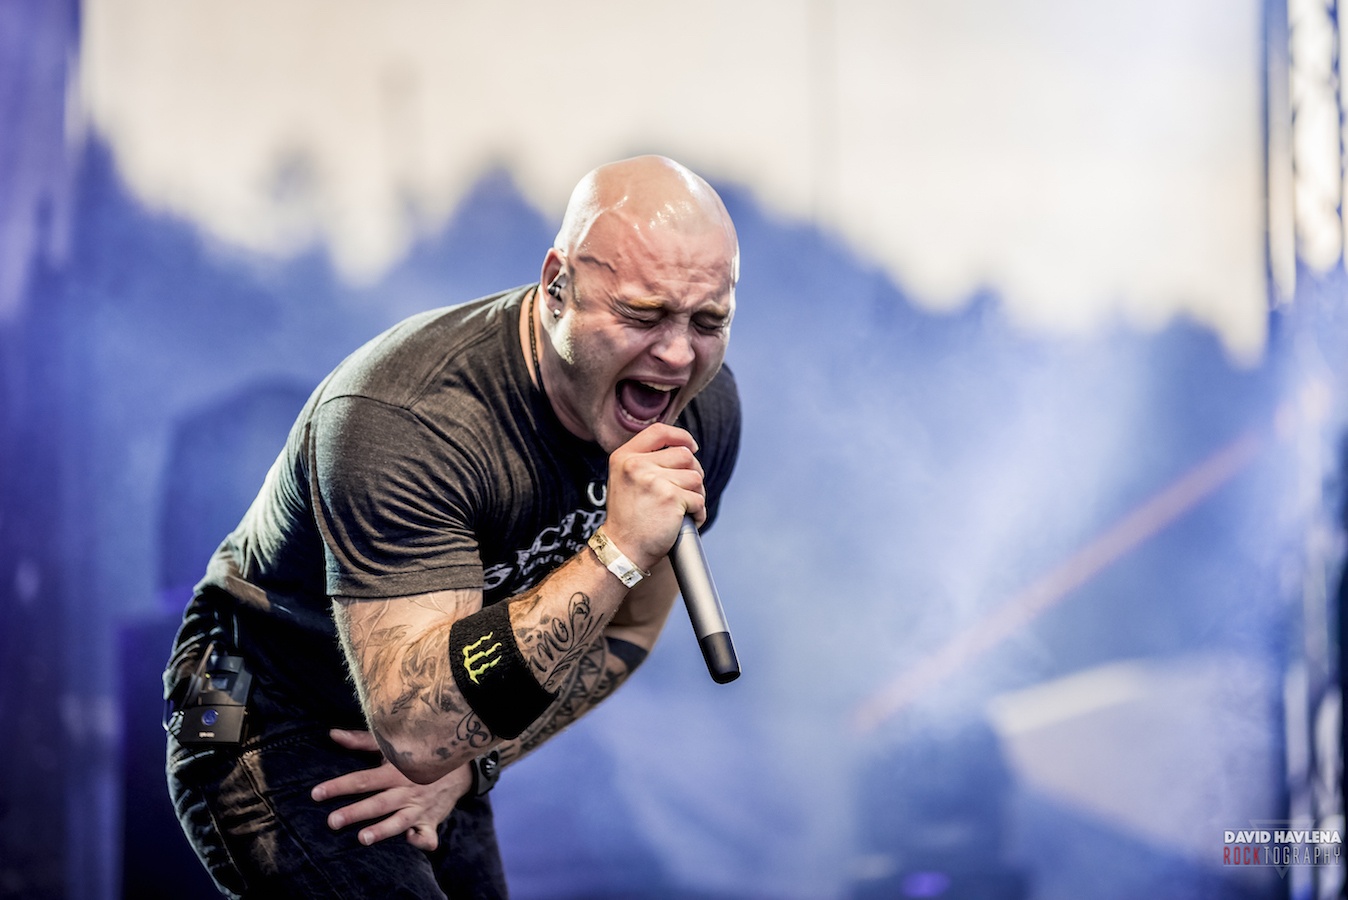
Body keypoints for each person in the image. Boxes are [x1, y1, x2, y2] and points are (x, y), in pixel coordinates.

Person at [163, 155, 742, 898]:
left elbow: (627, 627)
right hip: (254, 694)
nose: (677, 355)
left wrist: (474, 762)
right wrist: (616, 550)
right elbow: (417, 729)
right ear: (557, 287)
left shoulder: (700, 412)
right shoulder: (408, 418)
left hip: (443, 702)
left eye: (708, 322)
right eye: (642, 314)